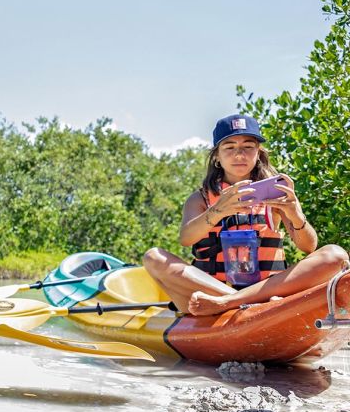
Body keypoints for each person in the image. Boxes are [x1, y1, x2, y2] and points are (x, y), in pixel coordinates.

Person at [143, 114, 347, 316]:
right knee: (154, 257)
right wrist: (218, 211)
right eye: (229, 147)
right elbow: (186, 239)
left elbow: (308, 247)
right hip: (214, 291)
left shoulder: (277, 192)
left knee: (336, 256)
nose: (239, 154)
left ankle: (231, 302)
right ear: (217, 156)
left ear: (258, 153)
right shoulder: (200, 199)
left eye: (248, 147)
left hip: (265, 289)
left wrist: (295, 214)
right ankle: (240, 302)